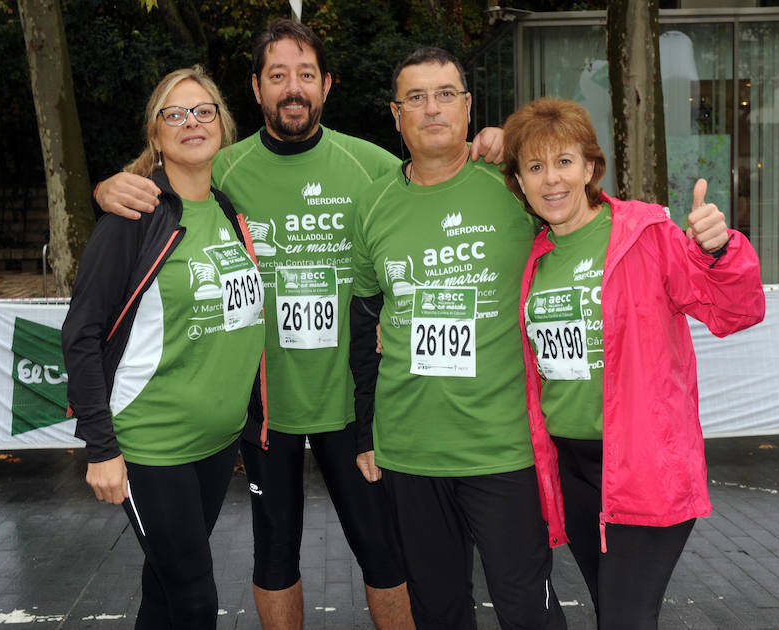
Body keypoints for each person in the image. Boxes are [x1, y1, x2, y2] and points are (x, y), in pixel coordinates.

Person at [91, 19, 506, 630]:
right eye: (278, 75)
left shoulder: (370, 164)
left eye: (306, 75)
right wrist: (106, 189)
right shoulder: (219, 169)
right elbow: (154, 193)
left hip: (352, 404)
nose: (293, 88)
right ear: (256, 88)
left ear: (327, 85)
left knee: (384, 553)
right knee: (274, 554)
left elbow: (437, 178)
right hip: (263, 409)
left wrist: (498, 142)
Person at [501, 97, 766, 629]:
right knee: (614, 613)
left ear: (591, 167)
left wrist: (720, 250)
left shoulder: (645, 235)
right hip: (572, 473)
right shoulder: (536, 257)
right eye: (535, 167)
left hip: (644, 468)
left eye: (564, 161)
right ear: (520, 183)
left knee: (624, 619)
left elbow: (735, 311)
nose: (551, 180)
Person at [350, 47, 567, 630]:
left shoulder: (515, 186)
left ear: (469, 107)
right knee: (440, 610)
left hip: (503, 448)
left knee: (527, 608)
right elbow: (363, 320)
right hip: (409, 450)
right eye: (415, 98)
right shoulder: (371, 205)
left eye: (445, 94)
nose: (432, 108)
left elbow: (583, 214)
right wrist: (365, 426)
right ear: (396, 115)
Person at [62, 66, 266, 628]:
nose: (191, 122)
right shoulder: (134, 218)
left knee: (165, 589)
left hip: (217, 444)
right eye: (174, 113)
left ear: (222, 126)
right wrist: (101, 448)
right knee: (196, 599)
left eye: (203, 110)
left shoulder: (227, 211)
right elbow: (80, 334)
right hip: (152, 446)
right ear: (156, 135)